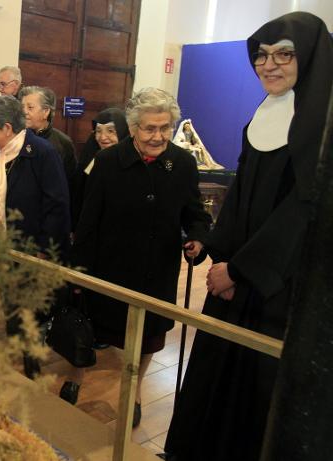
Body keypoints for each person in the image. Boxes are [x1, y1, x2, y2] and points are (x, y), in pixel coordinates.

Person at [164, 12, 333, 461]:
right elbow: (241, 197)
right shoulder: (265, 111)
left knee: (261, 392)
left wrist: (240, 270)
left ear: (310, 57)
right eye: (261, 55)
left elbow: (299, 213)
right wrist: (216, 249)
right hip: (237, 281)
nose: (268, 64)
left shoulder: (319, 128)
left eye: (283, 54)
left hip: (280, 290)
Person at [65, 88, 211, 427]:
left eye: (165, 128)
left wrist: (198, 239)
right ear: (133, 128)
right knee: (91, 326)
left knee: (147, 337)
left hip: (155, 270)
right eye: (149, 128)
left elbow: (194, 214)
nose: (158, 136)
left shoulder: (184, 163)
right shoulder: (106, 162)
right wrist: (77, 272)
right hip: (109, 267)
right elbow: (88, 221)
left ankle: (135, 390)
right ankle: (77, 375)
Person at [0, 95, 70, 377]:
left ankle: (31, 367)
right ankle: (18, 358)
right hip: (4, 248)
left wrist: (43, 250)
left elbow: (57, 205)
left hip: (33, 251)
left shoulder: (41, 153)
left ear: (7, 128)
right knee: (10, 304)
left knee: (31, 311)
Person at [19, 86, 77, 209]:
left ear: (46, 112)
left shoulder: (63, 143)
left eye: (30, 107)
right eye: (22, 107)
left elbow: (70, 184)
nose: (24, 112)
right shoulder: (16, 139)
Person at [72, 108, 129, 230]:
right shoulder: (89, 158)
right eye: (98, 131)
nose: (103, 137)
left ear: (122, 131)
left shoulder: (131, 163)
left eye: (110, 131)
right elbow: (78, 195)